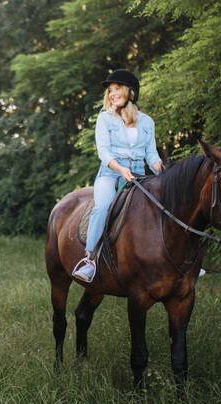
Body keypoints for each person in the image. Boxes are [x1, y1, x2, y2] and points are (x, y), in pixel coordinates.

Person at [72, 69, 164, 283]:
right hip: (110, 174)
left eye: (116, 89)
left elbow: (151, 154)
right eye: (110, 90)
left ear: (131, 92)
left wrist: (160, 169)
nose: (112, 93)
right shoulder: (105, 119)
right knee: (103, 207)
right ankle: (90, 260)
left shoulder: (147, 122)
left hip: (139, 175)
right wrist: (121, 169)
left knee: (165, 205)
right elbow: (103, 152)